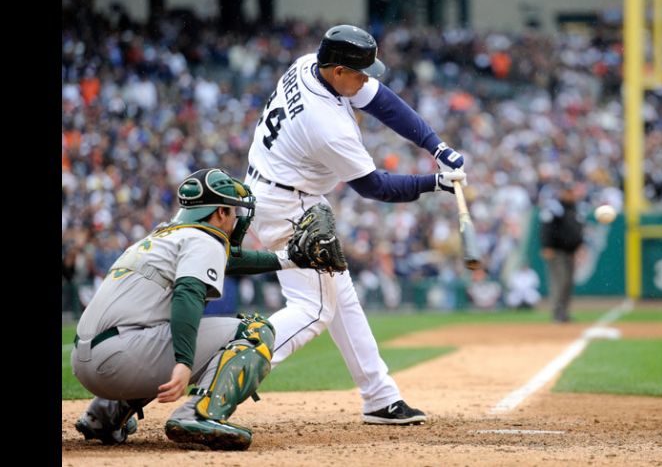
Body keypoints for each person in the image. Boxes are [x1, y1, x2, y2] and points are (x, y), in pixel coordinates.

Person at [243, 24, 467, 425]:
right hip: (286, 203)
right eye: (360, 73)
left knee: (341, 299)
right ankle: (230, 366)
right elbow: (375, 187)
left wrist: (436, 146)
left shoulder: (310, 64)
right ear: (338, 71)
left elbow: (383, 102)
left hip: (282, 190)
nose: (367, 79)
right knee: (314, 308)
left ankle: (379, 397)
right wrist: (434, 183)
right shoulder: (326, 125)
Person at [71, 168, 323, 450]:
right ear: (219, 212)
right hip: (122, 358)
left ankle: (103, 415)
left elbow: (232, 263)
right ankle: (201, 414)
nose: (236, 219)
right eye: (233, 212)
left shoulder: (167, 235)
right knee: (254, 331)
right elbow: (187, 294)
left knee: (154, 330)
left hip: (88, 361)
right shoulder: (205, 239)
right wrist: (183, 362)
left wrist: (290, 259)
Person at [539, 179, 584, 323]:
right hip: (557, 251)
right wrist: (547, 246)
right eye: (568, 192)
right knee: (560, 281)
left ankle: (564, 312)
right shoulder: (555, 207)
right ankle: (557, 313)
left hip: (570, 252)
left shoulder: (575, 208)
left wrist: (579, 246)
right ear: (562, 193)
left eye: (572, 191)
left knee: (568, 283)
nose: (570, 194)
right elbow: (546, 227)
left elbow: (577, 231)